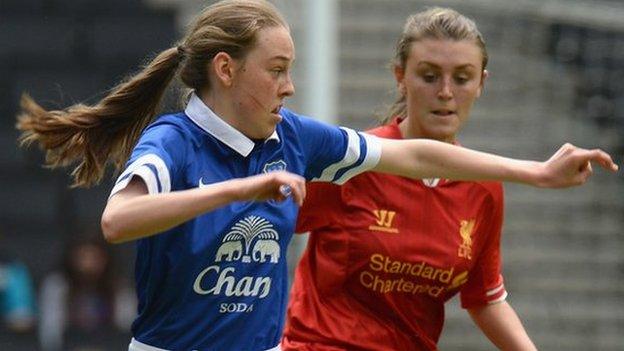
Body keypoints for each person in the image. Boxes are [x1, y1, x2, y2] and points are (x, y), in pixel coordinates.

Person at [14, 1, 617, 350]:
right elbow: (117, 221)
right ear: (226, 70)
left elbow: (422, 156)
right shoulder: (175, 143)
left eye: (291, 69)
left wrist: (535, 173)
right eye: (276, 69)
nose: (290, 85)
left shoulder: (296, 139)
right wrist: (241, 188)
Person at [282, 7, 562, 351]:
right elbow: (267, 228)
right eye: (429, 76)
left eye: (462, 78)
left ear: (481, 84)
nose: (445, 91)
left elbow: (484, 297)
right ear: (401, 76)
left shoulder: (484, 185)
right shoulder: (355, 162)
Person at [39, 238, 135, 351]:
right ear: (72, 258)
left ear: (105, 259)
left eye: (95, 258)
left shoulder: (119, 288)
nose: (88, 265)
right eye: (83, 257)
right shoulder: (57, 287)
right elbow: (50, 333)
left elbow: (127, 329)